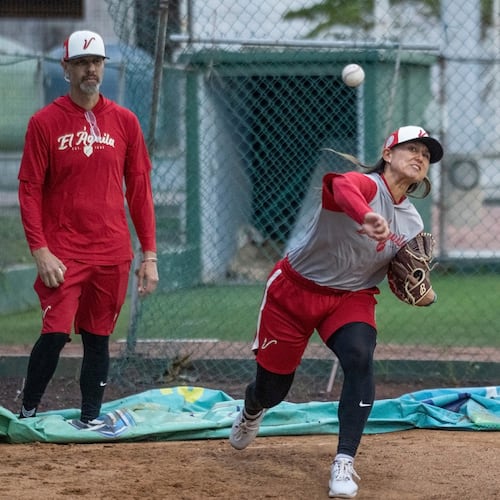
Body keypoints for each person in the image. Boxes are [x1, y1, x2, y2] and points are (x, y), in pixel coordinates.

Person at [229, 125, 443, 498]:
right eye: (412, 148)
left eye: (426, 155)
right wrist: (366, 215)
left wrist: (422, 291)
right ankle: (252, 408)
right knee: (273, 390)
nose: (420, 157)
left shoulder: (412, 222)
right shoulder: (361, 184)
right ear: (388, 154)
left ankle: (344, 461)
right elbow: (343, 189)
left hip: (351, 296)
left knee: (360, 357)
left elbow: (403, 273)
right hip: (294, 292)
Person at [17, 30, 159, 428]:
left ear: (103, 67)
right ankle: (27, 412)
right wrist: (40, 250)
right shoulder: (43, 123)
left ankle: (91, 420)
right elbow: (28, 191)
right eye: (81, 62)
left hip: (112, 252)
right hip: (62, 253)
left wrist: (149, 255)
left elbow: (140, 191)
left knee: (98, 338)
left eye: (96, 61)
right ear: (66, 68)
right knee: (56, 332)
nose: (90, 69)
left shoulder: (126, 122)